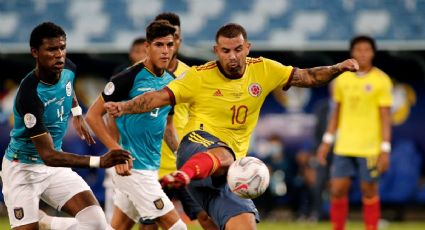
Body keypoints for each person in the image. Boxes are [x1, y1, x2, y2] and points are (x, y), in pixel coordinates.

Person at [104, 23, 359, 230]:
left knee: (241, 225)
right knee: (221, 155)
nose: (233, 56)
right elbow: (156, 98)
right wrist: (123, 107)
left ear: (247, 47)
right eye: (226, 51)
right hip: (195, 147)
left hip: (232, 169)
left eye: (238, 49)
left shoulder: (265, 70)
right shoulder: (198, 76)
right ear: (216, 50)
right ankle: (183, 177)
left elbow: (308, 76)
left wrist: (338, 68)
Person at [1, 22, 132, 230]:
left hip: (52, 169)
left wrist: (77, 113)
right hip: (24, 168)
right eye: (52, 49)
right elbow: (48, 155)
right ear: (35, 52)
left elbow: (67, 89)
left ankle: (49, 222)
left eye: (62, 47)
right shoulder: (29, 94)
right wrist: (100, 161)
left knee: (96, 223)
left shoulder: (68, 68)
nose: (59, 55)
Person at [85, 20, 186, 230]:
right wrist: (116, 151)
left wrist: (180, 155)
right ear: (147, 47)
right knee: (178, 228)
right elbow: (93, 116)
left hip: (151, 168)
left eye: (169, 45)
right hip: (132, 169)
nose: (165, 51)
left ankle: (50, 224)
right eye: (159, 45)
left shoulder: (172, 82)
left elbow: (168, 126)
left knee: (117, 228)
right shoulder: (127, 78)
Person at [316, 35, 393, 230]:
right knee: (337, 189)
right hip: (344, 146)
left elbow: (385, 118)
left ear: (373, 53)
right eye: (358, 50)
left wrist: (385, 148)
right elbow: (336, 114)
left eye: (366, 50)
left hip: (369, 148)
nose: (362, 53)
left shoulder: (381, 80)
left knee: (369, 190)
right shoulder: (342, 80)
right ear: (352, 53)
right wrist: (327, 141)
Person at [153, 12, 217, 230]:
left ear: (178, 41)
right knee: (150, 225)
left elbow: (203, 117)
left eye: (174, 38)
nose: (169, 46)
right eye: (162, 41)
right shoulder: (141, 77)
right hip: (151, 165)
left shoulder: (191, 75)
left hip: (183, 162)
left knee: (206, 217)